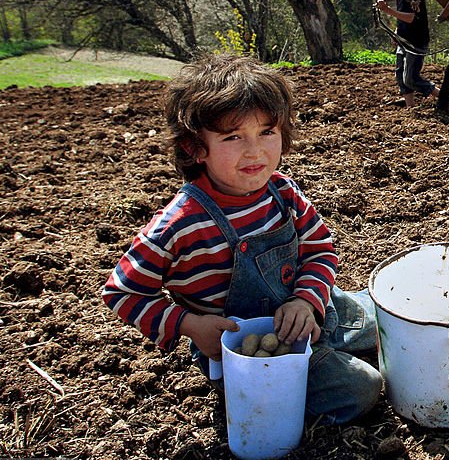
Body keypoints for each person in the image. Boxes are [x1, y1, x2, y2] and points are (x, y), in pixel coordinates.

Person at [102, 54, 382, 424]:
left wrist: (305, 301)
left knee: (388, 319)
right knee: (363, 388)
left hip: (308, 312)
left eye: (267, 132)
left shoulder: (282, 192)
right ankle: (280, 394)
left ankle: (335, 337)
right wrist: (190, 326)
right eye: (233, 137)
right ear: (193, 147)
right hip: (249, 356)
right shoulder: (180, 225)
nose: (255, 151)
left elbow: (320, 250)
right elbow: (122, 292)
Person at [375, 0, 440, 107]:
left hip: (416, 41)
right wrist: (396, 32)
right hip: (404, 40)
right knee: (400, 74)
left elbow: (410, 17)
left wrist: (387, 10)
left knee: (410, 78)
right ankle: (410, 106)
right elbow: (402, 18)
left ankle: (443, 95)